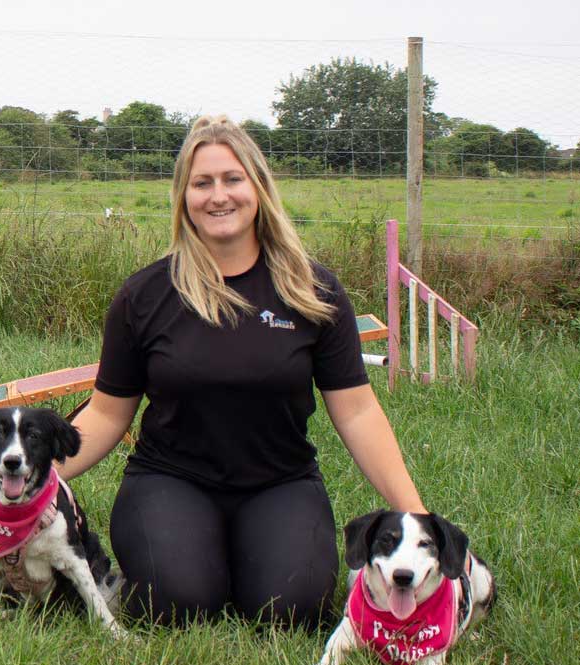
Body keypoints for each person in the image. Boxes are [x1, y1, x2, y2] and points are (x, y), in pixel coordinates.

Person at [58, 115, 427, 629]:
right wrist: (36, 479)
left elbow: (359, 411)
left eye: (232, 179)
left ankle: (248, 557)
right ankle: (188, 560)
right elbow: (106, 412)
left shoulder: (313, 291)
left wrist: (417, 519)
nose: (218, 196)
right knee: (178, 604)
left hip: (280, 482)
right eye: (202, 183)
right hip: (170, 480)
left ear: (258, 188)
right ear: (183, 197)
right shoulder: (144, 296)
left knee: (292, 609)